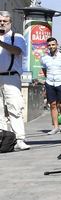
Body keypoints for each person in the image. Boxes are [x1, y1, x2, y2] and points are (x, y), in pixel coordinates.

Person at [0, 11, 29, 150]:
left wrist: (1, 42)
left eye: (4, 21)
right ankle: (4, 138)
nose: (1, 23)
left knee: (14, 107)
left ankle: (19, 138)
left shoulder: (16, 37)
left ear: (10, 23)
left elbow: (17, 51)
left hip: (11, 76)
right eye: (0, 21)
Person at [41, 37, 61, 135]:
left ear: (57, 45)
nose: (51, 47)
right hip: (50, 82)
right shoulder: (44, 58)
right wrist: (48, 78)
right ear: (47, 46)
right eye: (49, 45)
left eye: (53, 44)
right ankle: (56, 127)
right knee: (53, 105)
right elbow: (44, 70)